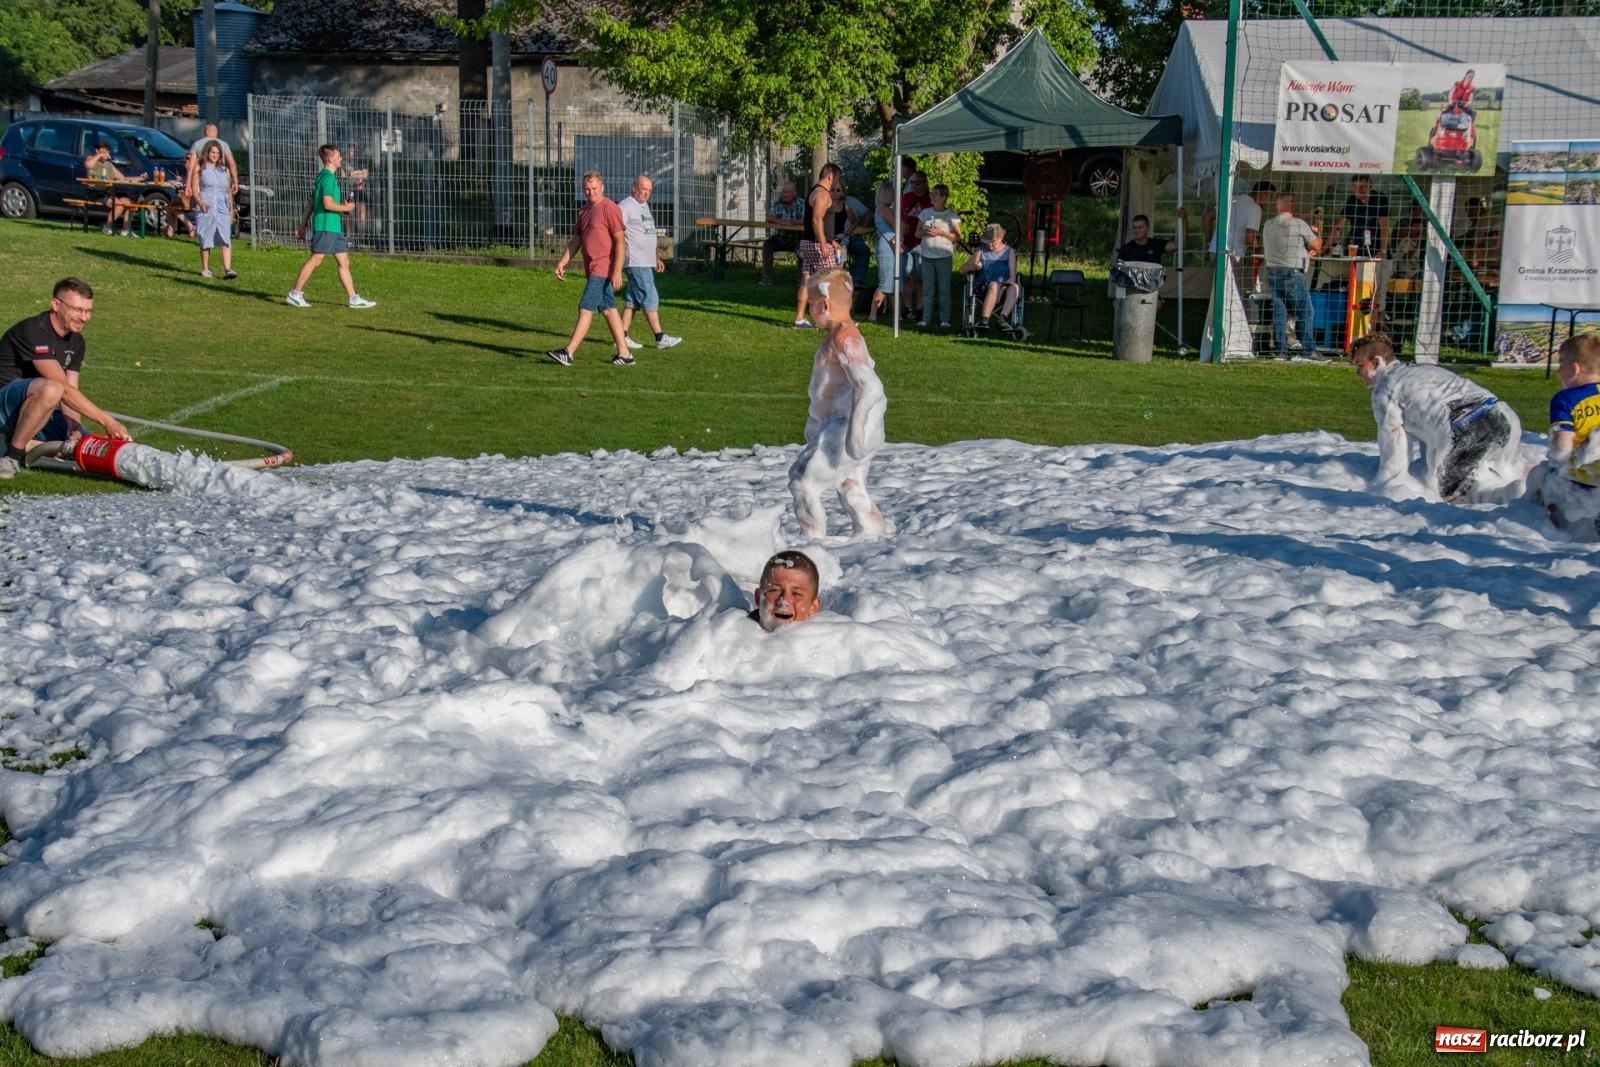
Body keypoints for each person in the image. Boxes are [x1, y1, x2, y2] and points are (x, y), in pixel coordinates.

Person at [1351, 333, 1526, 503]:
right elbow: (1431, 421)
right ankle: (1531, 486)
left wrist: (1381, 486)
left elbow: (1394, 448)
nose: (1357, 373)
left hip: (1465, 428)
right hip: (1503, 416)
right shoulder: (1423, 369)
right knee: (1509, 470)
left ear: (1376, 363)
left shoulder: (1385, 390)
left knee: (1456, 498)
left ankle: (1513, 495)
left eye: (1359, 366)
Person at [789, 269, 888, 539]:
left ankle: (812, 545)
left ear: (825, 304)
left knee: (802, 481)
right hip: (840, 424)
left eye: (811, 304)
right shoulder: (841, 335)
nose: (809, 309)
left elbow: (870, 386)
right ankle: (875, 536)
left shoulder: (846, 338)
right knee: (850, 484)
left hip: (846, 427)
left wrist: (855, 433)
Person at [0, 278, 129, 479]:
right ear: (55, 304)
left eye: (88, 311)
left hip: (39, 408)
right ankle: (12, 456)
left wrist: (74, 429)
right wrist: (107, 421)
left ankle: (26, 444)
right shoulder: (33, 330)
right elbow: (61, 388)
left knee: (88, 447)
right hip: (5, 405)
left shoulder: (77, 342)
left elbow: (71, 388)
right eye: (77, 310)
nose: (84, 317)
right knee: (51, 389)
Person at [548, 171, 632, 366]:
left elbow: (620, 241)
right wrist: (562, 262)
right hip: (593, 268)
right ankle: (625, 354)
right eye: (587, 189)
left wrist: (617, 270)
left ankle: (568, 352)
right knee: (609, 310)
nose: (591, 192)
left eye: (594, 188)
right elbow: (576, 240)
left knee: (585, 307)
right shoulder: (584, 212)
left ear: (602, 188)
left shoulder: (610, 208)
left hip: (602, 269)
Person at [287, 145, 377, 310]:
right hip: (326, 227)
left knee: (344, 262)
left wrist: (302, 225)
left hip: (334, 228)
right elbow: (327, 204)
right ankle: (295, 293)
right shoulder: (327, 178)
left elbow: (311, 203)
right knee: (316, 259)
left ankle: (353, 298)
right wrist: (346, 208)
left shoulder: (323, 177)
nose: (340, 158)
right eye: (338, 155)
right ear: (330, 159)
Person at [1533, 333, 1600, 536]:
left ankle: (1556, 532)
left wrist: (1557, 462)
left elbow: (1562, 445)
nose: (1558, 370)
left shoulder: (1566, 399)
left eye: (1561, 363)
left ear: (1575, 368)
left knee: (1544, 478)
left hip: (1584, 479)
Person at [617, 173, 683, 352]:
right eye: (643, 189)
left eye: (649, 190)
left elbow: (646, 233)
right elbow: (617, 232)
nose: (646, 193)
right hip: (635, 261)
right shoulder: (626, 206)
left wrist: (654, 257)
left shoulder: (644, 206)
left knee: (633, 301)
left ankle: (620, 337)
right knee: (649, 296)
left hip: (645, 260)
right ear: (634, 187)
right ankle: (660, 337)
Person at [1260, 193, 1321, 358]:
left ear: (1277, 206)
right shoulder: (1300, 224)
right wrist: (1316, 232)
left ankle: (1280, 350)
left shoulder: (1268, 224)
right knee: (1306, 311)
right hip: (1293, 273)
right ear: (1293, 205)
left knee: (1280, 311)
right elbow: (1317, 245)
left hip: (1273, 272)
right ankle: (1309, 350)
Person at [793, 164, 843, 329]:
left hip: (808, 243)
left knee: (806, 281)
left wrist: (830, 240)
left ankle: (799, 319)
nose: (838, 183)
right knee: (832, 282)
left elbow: (822, 223)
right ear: (830, 177)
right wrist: (823, 243)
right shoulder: (822, 194)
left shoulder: (814, 191)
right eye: (837, 178)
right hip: (817, 245)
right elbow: (817, 219)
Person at [189, 140, 236, 280]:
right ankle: (205, 268)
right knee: (206, 237)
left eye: (217, 153)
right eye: (212, 152)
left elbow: (228, 191)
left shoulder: (224, 170)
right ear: (207, 153)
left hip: (222, 207)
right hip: (206, 207)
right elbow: (195, 190)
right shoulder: (200, 167)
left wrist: (231, 209)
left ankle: (227, 269)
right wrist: (200, 202)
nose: (215, 155)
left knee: (225, 237)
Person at [959, 222, 1020, 330]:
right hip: (984, 287)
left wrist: (1002, 289)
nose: (989, 245)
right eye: (987, 242)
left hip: (1004, 286)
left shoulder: (1009, 252)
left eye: (992, 242)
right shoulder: (980, 251)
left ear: (1001, 237)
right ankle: (985, 320)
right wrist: (973, 267)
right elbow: (961, 269)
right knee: (994, 285)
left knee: (1015, 287)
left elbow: (1012, 276)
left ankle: (1002, 318)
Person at [916, 183, 961, 328]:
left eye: (935, 194)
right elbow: (917, 233)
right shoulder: (925, 213)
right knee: (928, 289)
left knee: (944, 289)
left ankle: (945, 320)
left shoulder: (951, 216)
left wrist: (941, 232)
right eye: (931, 194)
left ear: (944, 197)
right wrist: (926, 232)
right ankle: (925, 318)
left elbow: (958, 236)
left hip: (943, 256)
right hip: (927, 256)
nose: (932, 197)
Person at [748, 550, 822, 631]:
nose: (784, 600)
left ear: (813, 607)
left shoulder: (827, 641)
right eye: (775, 590)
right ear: (758, 598)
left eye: (796, 593)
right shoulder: (735, 634)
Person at [83, 140, 141, 237]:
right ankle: (107, 227)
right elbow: (88, 165)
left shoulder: (109, 165)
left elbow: (123, 178)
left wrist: (139, 178)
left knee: (130, 202)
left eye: (107, 151)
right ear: (97, 151)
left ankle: (125, 230)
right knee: (119, 204)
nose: (106, 153)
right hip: (95, 191)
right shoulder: (91, 159)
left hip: (108, 192)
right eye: (103, 151)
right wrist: (99, 156)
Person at [898, 171, 931, 319]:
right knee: (905, 276)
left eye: (918, 183)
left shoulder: (930, 200)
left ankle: (920, 307)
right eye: (912, 183)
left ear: (925, 183)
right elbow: (898, 218)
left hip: (921, 244)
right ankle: (908, 308)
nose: (915, 186)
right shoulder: (906, 198)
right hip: (905, 242)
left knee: (919, 278)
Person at [760, 181, 805, 286]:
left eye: (788, 192)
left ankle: (801, 280)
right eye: (783, 192)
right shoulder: (777, 203)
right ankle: (767, 278)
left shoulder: (802, 203)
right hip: (781, 238)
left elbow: (807, 219)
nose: (785, 194)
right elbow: (769, 218)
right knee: (767, 244)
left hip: (797, 239)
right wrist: (779, 221)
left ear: (794, 193)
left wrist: (794, 222)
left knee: (804, 248)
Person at [869, 180, 897, 324]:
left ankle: (896, 314)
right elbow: (896, 224)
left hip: (887, 245)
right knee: (885, 283)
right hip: (888, 246)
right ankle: (873, 313)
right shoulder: (884, 209)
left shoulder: (882, 208)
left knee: (892, 282)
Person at [188, 123, 239, 194]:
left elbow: (190, 166)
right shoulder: (224, 144)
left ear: (206, 132)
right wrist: (235, 181)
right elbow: (232, 164)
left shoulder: (197, 144)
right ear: (215, 132)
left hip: (202, 180)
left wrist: (188, 184)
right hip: (220, 179)